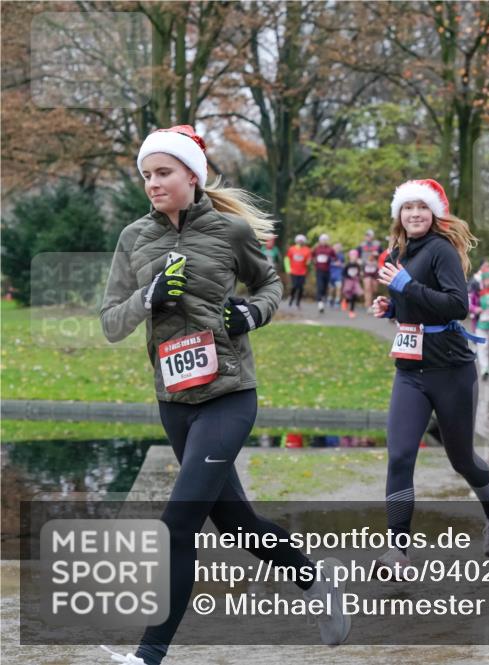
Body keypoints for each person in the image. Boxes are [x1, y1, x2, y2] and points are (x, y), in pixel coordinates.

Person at [99, 125, 348, 665]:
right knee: (238, 526)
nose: (153, 183)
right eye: (147, 174)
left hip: (229, 394)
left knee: (178, 522)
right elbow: (111, 322)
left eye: (163, 173)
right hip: (175, 400)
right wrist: (147, 296)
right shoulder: (133, 239)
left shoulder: (230, 232)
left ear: (193, 175)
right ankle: (314, 578)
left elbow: (271, 284)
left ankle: (148, 655)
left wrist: (252, 312)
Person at [370, 178, 489, 575]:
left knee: (461, 458)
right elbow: (411, 306)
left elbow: (456, 306)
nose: (414, 214)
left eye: (422, 207)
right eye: (407, 207)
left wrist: (407, 286)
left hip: (451, 371)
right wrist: (390, 307)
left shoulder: (441, 250)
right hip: (410, 371)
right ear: (398, 214)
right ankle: (397, 551)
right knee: (399, 455)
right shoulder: (394, 252)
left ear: (434, 213)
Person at [284, 234, 311, 308]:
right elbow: (286, 259)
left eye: (302, 241)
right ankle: (291, 298)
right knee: (295, 286)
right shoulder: (292, 249)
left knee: (301, 287)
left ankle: (298, 302)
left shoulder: (307, 250)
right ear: (296, 241)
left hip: (302, 272)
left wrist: (308, 262)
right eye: (299, 241)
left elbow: (308, 260)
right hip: (293, 272)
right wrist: (288, 269)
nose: (300, 242)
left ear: (304, 242)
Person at [312, 233, 336, 313]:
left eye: (325, 240)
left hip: (327, 271)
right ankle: (320, 303)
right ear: (320, 241)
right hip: (319, 270)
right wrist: (313, 260)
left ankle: (322, 299)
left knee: (325, 288)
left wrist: (330, 259)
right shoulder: (316, 248)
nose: (324, 241)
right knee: (320, 286)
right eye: (322, 240)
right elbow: (312, 256)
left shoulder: (330, 249)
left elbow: (334, 257)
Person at [359, 229, 382, 309]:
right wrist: (359, 263)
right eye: (366, 235)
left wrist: (377, 255)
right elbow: (357, 255)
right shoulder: (362, 245)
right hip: (366, 268)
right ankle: (368, 305)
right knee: (367, 287)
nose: (367, 237)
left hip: (375, 268)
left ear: (372, 236)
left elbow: (382, 256)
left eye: (369, 235)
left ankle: (373, 303)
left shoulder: (377, 244)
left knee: (375, 289)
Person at [341, 248, 362, 318]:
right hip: (348, 281)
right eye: (352, 256)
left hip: (355, 282)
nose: (354, 257)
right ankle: (345, 301)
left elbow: (359, 272)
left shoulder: (357, 265)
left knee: (354, 296)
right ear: (350, 256)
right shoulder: (347, 265)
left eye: (355, 256)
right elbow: (343, 273)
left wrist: (359, 276)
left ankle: (351, 311)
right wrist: (346, 279)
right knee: (348, 295)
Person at [329, 241, 345, 307]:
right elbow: (327, 264)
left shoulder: (341, 255)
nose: (337, 248)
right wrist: (335, 264)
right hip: (331, 273)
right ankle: (330, 299)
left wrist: (341, 265)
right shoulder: (330, 255)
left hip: (338, 274)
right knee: (331, 288)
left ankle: (337, 301)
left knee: (339, 287)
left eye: (339, 247)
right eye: (336, 247)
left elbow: (343, 264)